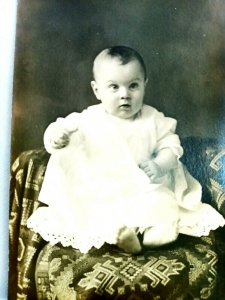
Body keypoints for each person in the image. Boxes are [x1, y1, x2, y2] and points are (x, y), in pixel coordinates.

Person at [27, 45, 225, 254]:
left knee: (164, 202)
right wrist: (56, 137)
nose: (125, 95)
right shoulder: (89, 119)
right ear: (97, 90)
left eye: (133, 86)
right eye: (114, 87)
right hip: (105, 193)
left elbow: (172, 147)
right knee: (98, 215)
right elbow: (59, 130)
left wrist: (159, 165)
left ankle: (154, 236)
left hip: (144, 190)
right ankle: (125, 238)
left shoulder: (153, 118)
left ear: (144, 85)